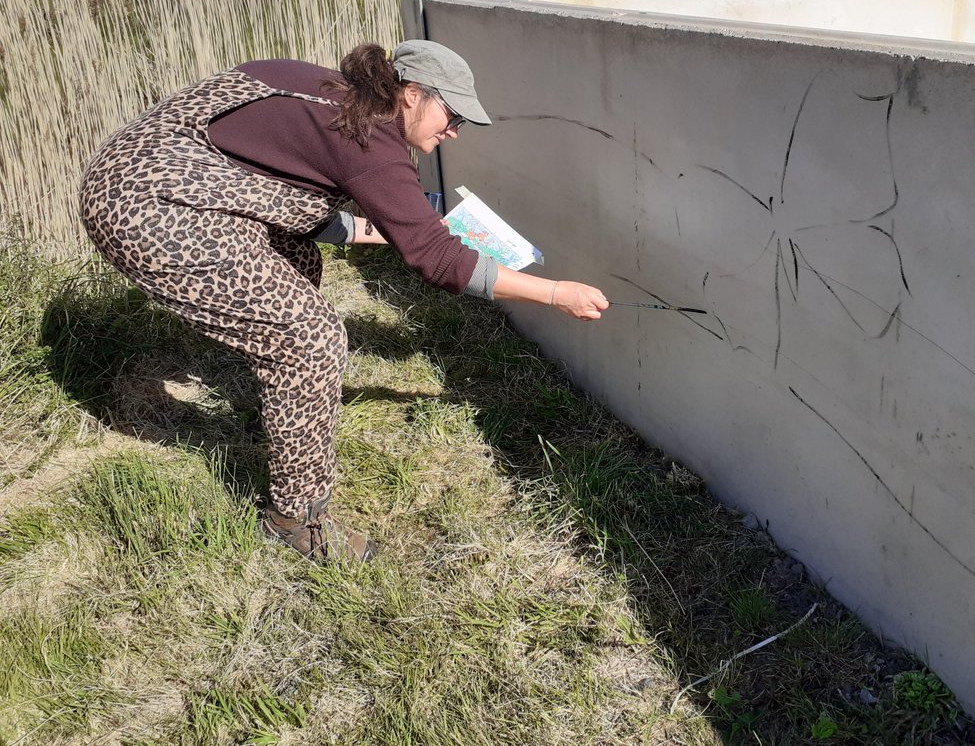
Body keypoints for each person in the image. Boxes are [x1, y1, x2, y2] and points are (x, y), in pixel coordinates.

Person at [78, 40, 609, 563]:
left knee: (298, 265)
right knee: (309, 340)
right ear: (412, 93)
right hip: (149, 209)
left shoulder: (324, 90)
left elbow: (269, 178)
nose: (453, 131)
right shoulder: (371, 143)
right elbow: (437, 261)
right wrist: (556, 293)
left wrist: (378, 227)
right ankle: (295, 520)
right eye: (452, 115)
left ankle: (285, 408)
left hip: (137, 172)